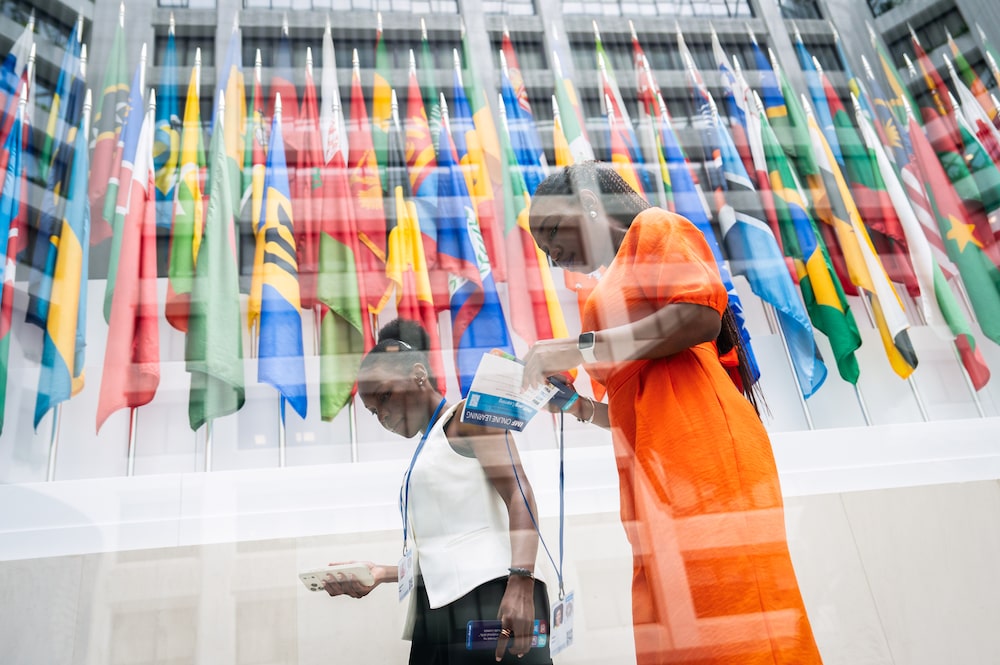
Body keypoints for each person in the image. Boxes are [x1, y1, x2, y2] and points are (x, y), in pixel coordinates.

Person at [521, 162, 823, 664]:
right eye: (545, 252)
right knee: (681, 625)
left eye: (551, 234)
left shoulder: (655, 227)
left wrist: (579, 348)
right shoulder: (601, 290)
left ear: (590, 206)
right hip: (653, 471)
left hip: (703, 459)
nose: (553, 258)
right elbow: (633, 403)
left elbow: (698, 317)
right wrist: (573, 404)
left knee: (736, 615)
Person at [322, 318, 553, 665]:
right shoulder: (426, 451)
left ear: (418, 374)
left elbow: (520, 493)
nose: (383, 414)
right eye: (373, 411)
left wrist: (521, 582)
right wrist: (379, 573)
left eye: (385, 395)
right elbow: (445, 547)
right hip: (436, 613)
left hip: (494, 597)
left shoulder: (467, 417)